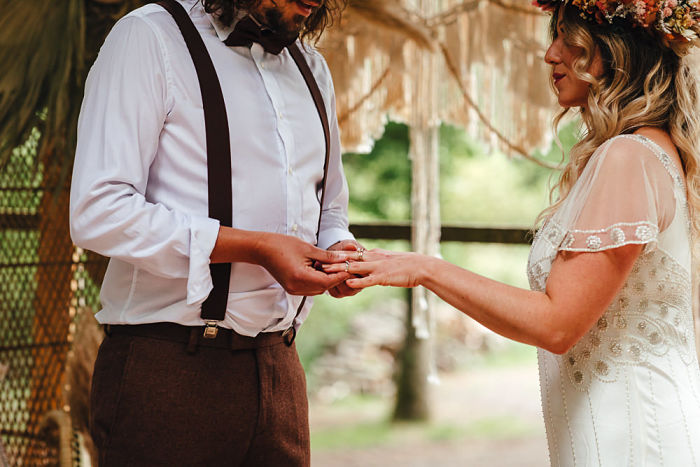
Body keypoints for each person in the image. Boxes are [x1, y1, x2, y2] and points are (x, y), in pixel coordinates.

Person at [325, 0, 700, 464]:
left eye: (567, 37)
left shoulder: (629, 157)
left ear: (616, 48)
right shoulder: (645, 151)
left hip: (632, 432)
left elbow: (556, 323)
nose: (550, 55)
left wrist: (424, 269)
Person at [69, 0, 361, 465]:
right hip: (168, 371)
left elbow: (330, 209)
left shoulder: (312, 68)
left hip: (280, 368)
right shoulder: (150, 37)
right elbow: (97, 211)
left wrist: (338, 249)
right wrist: (256, 248)